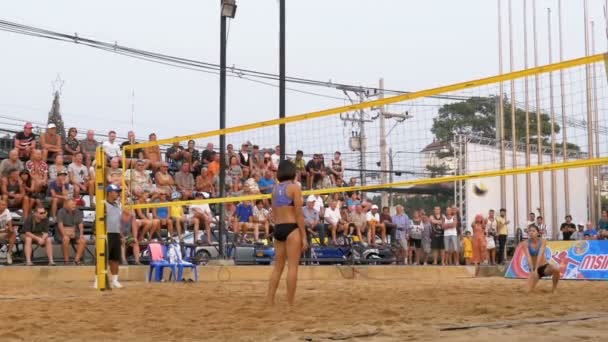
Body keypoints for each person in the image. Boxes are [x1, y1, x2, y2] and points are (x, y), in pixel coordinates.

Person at [266, 160, 307, 306]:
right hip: (291, 228)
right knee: (293, 267)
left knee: (278, 267)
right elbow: (299, 214)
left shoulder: (275, 190)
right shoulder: (294, 188)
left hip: (279, 228)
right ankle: (290, 303)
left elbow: (274, 214)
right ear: (292, 172)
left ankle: (270, 301)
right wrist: (304, 236)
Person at [523, 225, 560, 293]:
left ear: (538, 233)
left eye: (533, 231)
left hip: (544, 267)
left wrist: (537, 269)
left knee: (556, 268)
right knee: (526, 291)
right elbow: (528, 257)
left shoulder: (543, 241)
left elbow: (540, 255)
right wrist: (533, 271)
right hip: (533, 268)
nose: (531, 232)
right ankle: (533, 280)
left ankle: (554, 289)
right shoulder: (525, 243)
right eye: (530, 231)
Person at [55, 199, 87, 264]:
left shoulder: (78, 211)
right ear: (66, 205)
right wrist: (64, 235)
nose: (74, 205)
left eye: (74, 204)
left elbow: (80, 225)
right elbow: (60, 225)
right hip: (63, 231)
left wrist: (81, 235)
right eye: (72, 204)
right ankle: (66, 261)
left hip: (74, 231)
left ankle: (76, 260)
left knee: (82, 241)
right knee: (66, 239)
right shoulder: (61, 211)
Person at [104, 184, 124, 288]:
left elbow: (119, 221)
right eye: (116, 192)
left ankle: (115, 280)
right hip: (106, 233)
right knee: (102, 258)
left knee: (115, 258)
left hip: (115, 233)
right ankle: (98, 279)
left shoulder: (118, 205)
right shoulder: (103, 204)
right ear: (110, 192)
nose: (118, 194)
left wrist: (121, 235)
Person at [0, 199, 17, 264]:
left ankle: (9, 253)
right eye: (2, 205)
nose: (4, 206)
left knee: (13, 233)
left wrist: (11, 229)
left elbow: (10, 225)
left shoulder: (7, 211)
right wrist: (5, 230)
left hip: (3, 233)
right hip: (2, 232)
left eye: (5, 205)